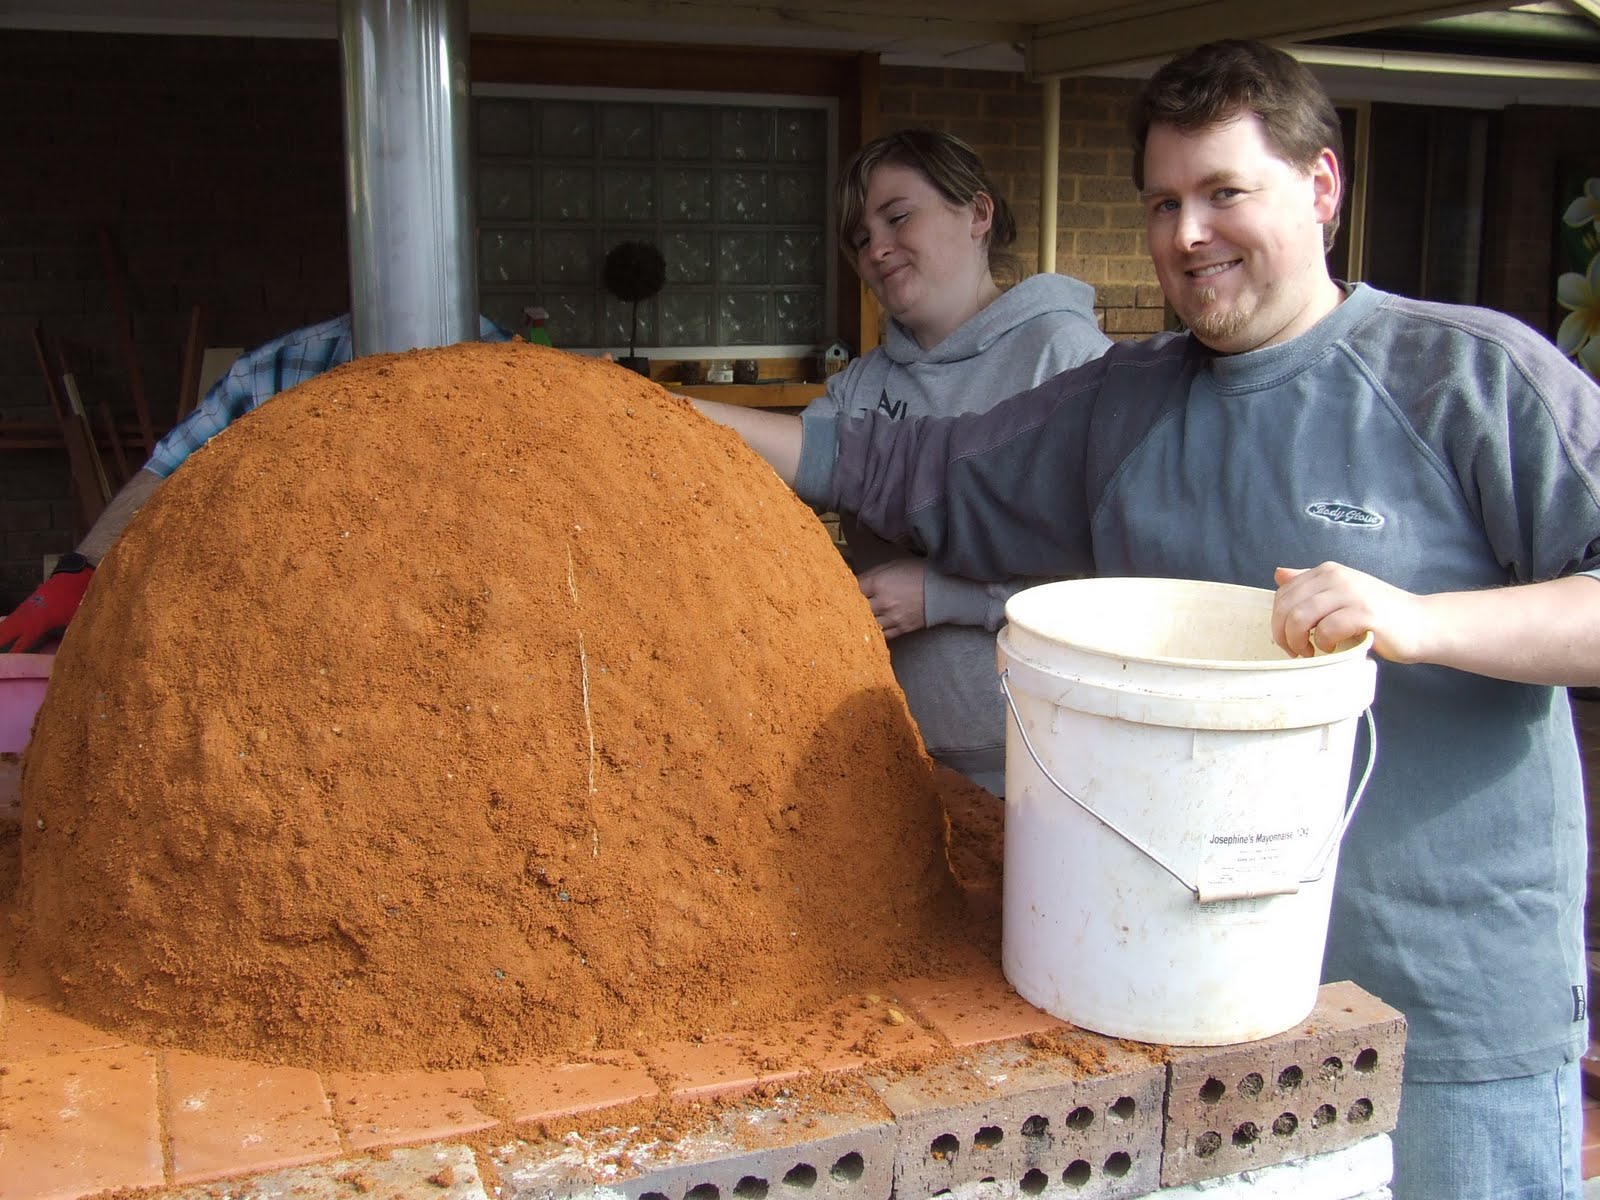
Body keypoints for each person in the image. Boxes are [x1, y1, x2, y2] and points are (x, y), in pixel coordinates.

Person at [699, 40, 1600, 1200]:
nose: (1188, 233)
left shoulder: (1466, 376)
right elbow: (895, 467)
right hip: (1191, 1006)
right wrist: (661, 414)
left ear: (1320, 186)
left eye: (1224, 191)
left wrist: (1422, 622)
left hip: (1447, 1012)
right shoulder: (1122, 407)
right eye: (1163, 202)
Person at [696, 129, 1109, 794]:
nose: (877, 250)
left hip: (1041, 762)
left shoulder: (1063, 357)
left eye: (897, 218)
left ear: (978, 213)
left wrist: (943, 595)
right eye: (861, 238)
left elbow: (1116, 581)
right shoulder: (862, 386)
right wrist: (653, 416)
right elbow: (780, 468)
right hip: (901, 764)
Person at [0, 312, 511, 653]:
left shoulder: (516, 379)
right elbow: (169, 469)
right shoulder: (275, 373)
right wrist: (79, 571)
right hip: (301, 645)